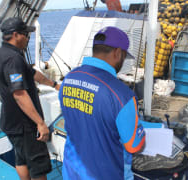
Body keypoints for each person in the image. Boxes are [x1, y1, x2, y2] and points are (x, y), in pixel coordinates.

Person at [59, 26, 146, 180]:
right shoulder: (122, 95)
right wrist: (140, 131)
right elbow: (134, 145)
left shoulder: (69, 78)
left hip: (72, 171)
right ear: (118, 53)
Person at [0, 17, 60, 180]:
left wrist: (54, 84)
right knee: (38, 166)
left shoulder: (5, 53)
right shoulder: (13, 59)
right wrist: (40, 123)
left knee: (21, 158)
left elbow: (32, 74)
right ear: (16, 35)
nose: (28, 38)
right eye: (25, 34)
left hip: (11, 123)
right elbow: (19, 94)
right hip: (24, 126)